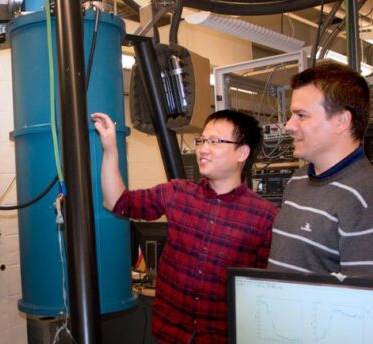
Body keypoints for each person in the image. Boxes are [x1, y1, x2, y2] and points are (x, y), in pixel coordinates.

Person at [91, 110, 277, 343]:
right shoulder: (177, 192)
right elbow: (117, 202)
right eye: (201, 140)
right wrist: (110, 148)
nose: (203, 149)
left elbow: (262, 292)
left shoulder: (265, 217)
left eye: (215, 141)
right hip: (168, 334)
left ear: (242, 152)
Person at [267, 61, 373, 277]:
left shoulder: (365, 196)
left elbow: (362, 301)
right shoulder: (297, 180)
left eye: (301, 115)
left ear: (342, 121)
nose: (289, 126)